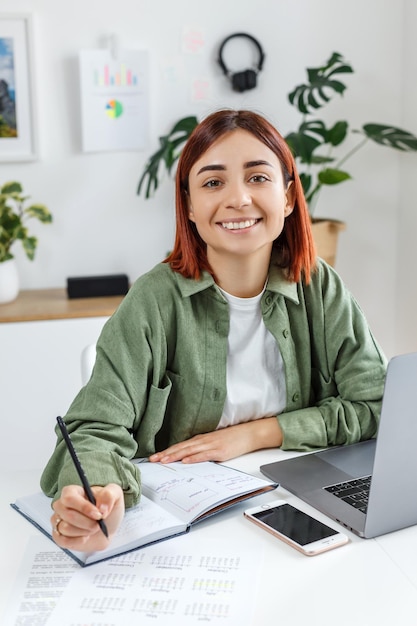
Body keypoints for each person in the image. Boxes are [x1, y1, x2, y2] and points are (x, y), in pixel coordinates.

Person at [41, 109, 387, 553]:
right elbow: (92, 429)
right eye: (212, 182)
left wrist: (257, 433)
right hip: (194, 523)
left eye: (258, 178)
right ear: (188, 205)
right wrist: (88, 493)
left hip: (297, 500)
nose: (239, 199)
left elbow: (374, 404)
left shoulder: (319, 285)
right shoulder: (153, 300)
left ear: (287, 196)